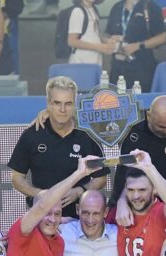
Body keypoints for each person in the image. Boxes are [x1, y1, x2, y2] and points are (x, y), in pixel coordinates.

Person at [10, 76, 109, 219]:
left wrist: (79, 191)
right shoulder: (32, 134)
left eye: (68, 104)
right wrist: (40, 194)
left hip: (78, 220)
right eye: (57, 103)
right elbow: (16, 178)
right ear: (48, 104)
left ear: (74, 104)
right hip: (41, 217)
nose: (62, 109)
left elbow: (101, 178)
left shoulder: (88, 135)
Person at [105, 0, 166, 92]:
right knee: (116, 98)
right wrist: (111, 39)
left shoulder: (149, 6)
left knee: (140, 99)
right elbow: (107, 34)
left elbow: (163, 37)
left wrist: (138, 45)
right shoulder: (117, 7)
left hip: (142, 69)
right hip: (117, 68)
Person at [66, 0, 115, 66]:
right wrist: (98, 47)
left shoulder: (93, 9)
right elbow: (72, 41)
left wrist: (106, 41)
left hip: (95, 59)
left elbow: (94, 34)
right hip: (81, 61)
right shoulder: (77, 11)